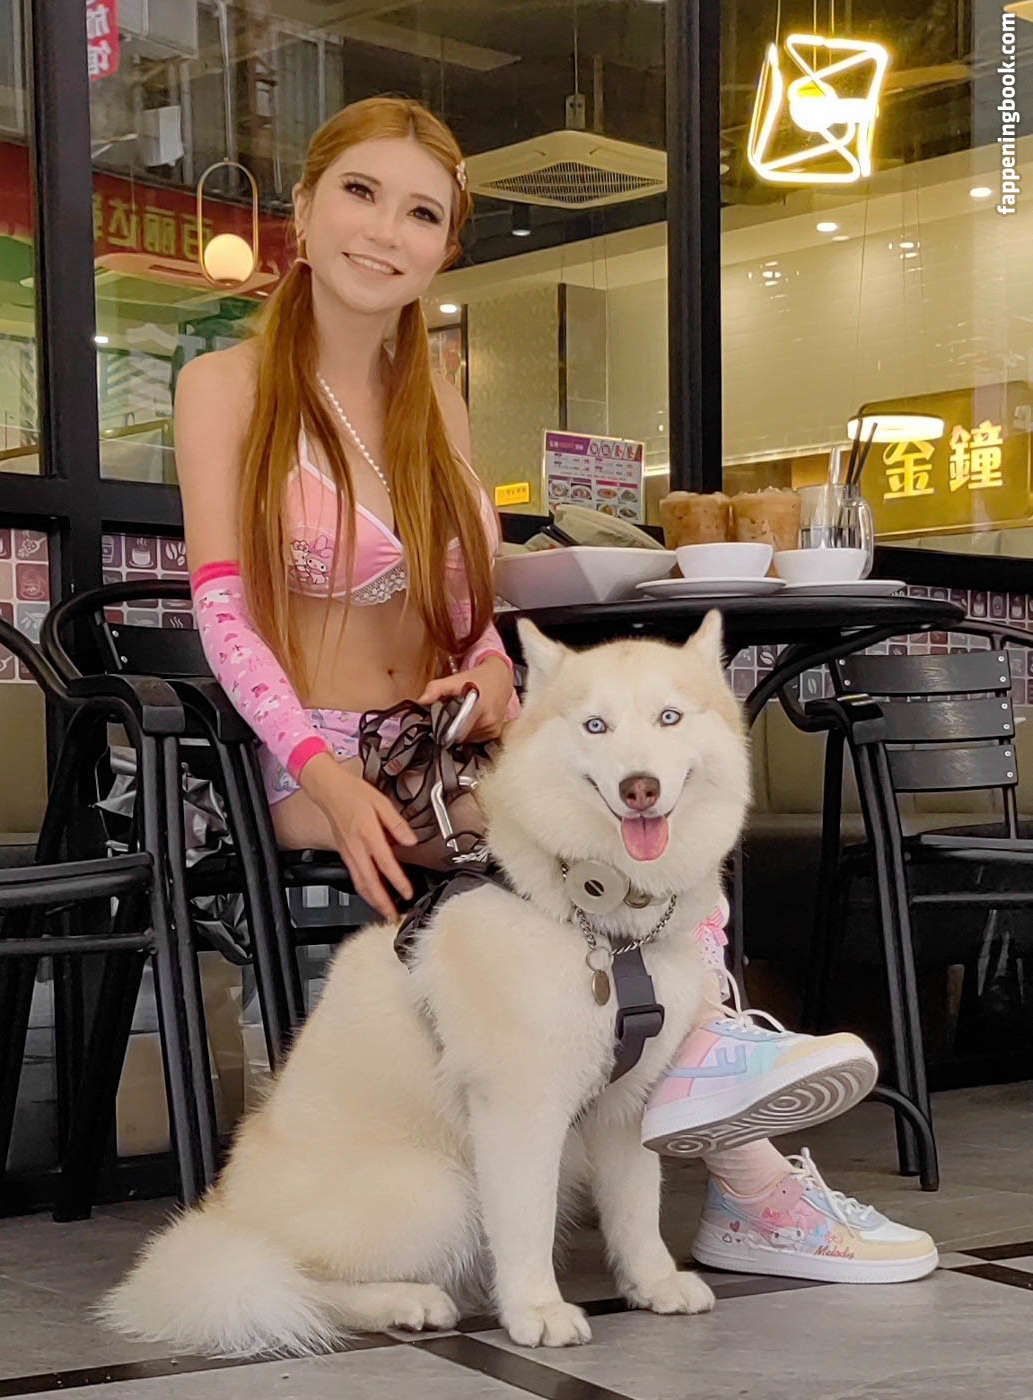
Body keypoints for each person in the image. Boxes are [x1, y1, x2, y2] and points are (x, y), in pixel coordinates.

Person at [176, 95, 936, 1285]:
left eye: (420, 212)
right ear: (306, 209)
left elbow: (466, 610)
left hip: (438, 740)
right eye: (361, 193)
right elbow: (223, 613)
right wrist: (323, 772)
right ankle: (745, 1157)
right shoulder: (224, 385)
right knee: (572, 833)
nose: (384, 230)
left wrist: (488, 667)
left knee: (643, 795)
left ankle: (709, 1070)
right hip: (304, 754)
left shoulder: (434, 392)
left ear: (445, 244)